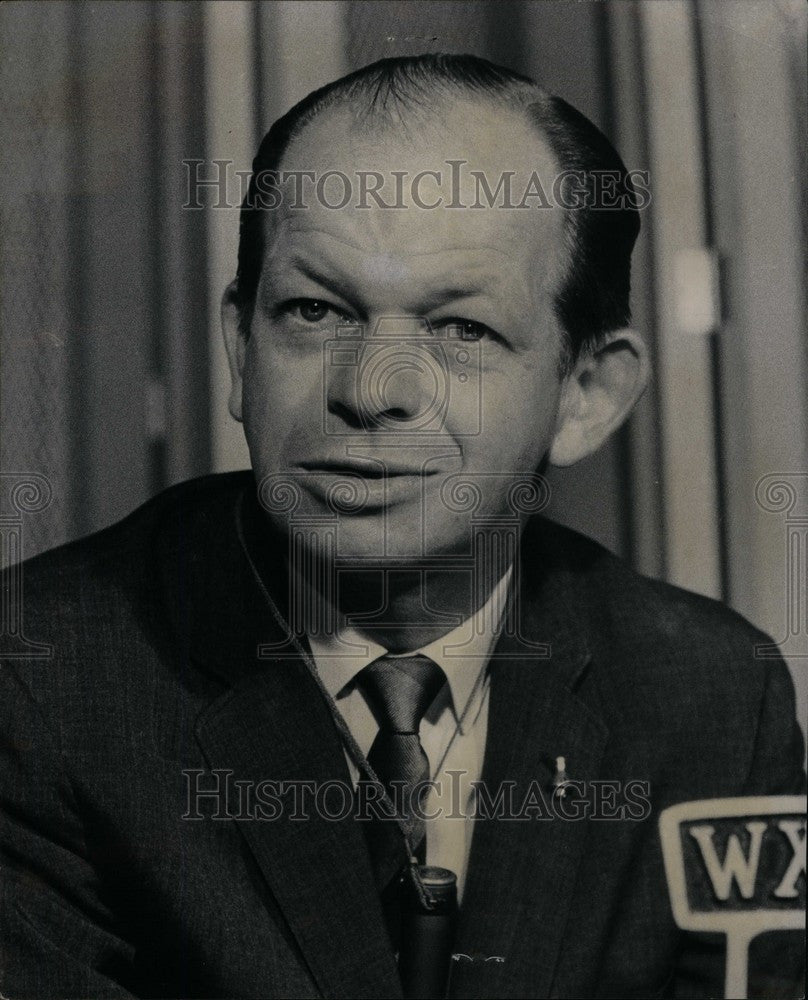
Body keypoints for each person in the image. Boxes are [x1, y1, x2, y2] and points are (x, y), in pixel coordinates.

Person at [0, 54, 804, 999]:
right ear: (239, 347)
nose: (368, 391)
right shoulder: (42, 683)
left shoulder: (708, 697)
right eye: (313, 310)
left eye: (460, 330)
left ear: (587, 392)